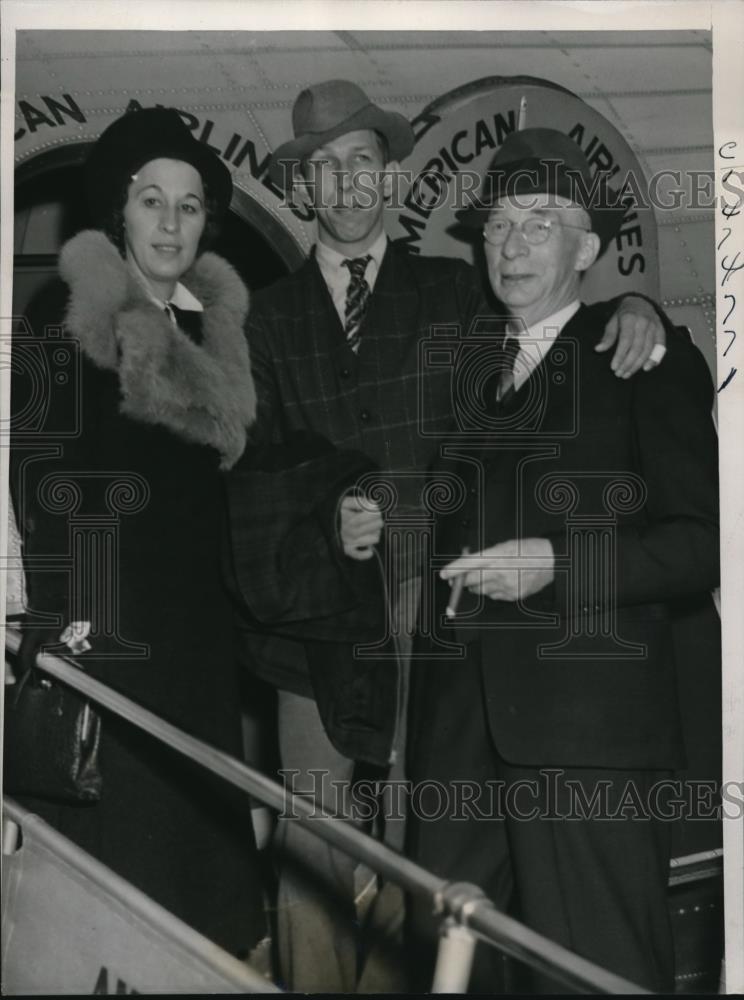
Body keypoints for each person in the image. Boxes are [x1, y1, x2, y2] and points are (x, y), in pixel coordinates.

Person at [225, 80, 672, 992]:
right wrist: (327, 517)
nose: (344, 186)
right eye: (322, 170)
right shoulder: (261, 320)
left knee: (419, 850)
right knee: (312, 843)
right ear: (303, 190)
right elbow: (248, 475)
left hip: (440, 627)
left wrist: (641, 308)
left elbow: (550, 324)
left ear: (389, 179)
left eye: (360, 163)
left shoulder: (459, 290)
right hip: (308, 635)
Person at [405, 128, 720, 992]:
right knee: (456, 971)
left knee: (594, 976)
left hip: (590, 747)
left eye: (541, 224)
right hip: (461, 749)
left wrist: (558, 564)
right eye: (500, 225)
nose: (511, 245)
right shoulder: (476, 370)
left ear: (587, 249)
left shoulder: (646, 358)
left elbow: (701, 546)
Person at [9, 107, 266, 956]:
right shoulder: (69, 312)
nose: (170, 222)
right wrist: (69, 619)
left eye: (189, 206)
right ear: (118, 212)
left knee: (196, 884)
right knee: (121, 875)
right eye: (151, 201)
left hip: (196, 646)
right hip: (109, 640)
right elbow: (40, 475)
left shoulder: (214, 331)